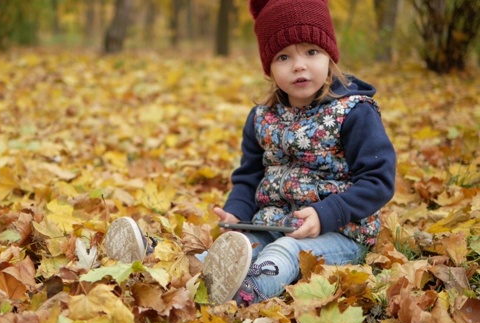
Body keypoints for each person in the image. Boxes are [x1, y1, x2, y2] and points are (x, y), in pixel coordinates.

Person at [103, 0, 396, 306]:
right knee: (234, 248)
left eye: (311, 52)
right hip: (272, 223)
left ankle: (247, 289)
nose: (299, 65)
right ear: (269, 67)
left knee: (284, 253)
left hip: (340, 232)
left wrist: (327, 214)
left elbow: (378, 180)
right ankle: (156, 264)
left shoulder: (354, 112)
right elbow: (249, 177)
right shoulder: (262, 117)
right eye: (284, 57)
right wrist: (237, 213)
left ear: (330, 55)